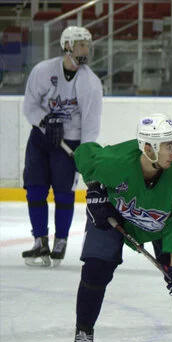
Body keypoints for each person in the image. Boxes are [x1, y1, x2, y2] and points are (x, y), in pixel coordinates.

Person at [71, 114, 172, 342]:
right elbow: (84, 153)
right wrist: (95, 188)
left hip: (163, 227)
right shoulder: (116, 162)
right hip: (113, 217)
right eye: (168, 147)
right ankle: (84, 331)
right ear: (148, 148)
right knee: (94, 269)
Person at [21, 25, 102, 267]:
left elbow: (90, 124)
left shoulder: (91, 82)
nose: (86, 49)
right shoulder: (43, 71)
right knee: (35, 189)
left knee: (64, 193)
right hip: (41, 139)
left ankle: (61, 240)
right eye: (81, 44)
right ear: (67, 46)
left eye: (87, 44)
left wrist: (85, 156)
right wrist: (45, 121)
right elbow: (30, 106)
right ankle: (40, 240)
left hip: (70, 144)